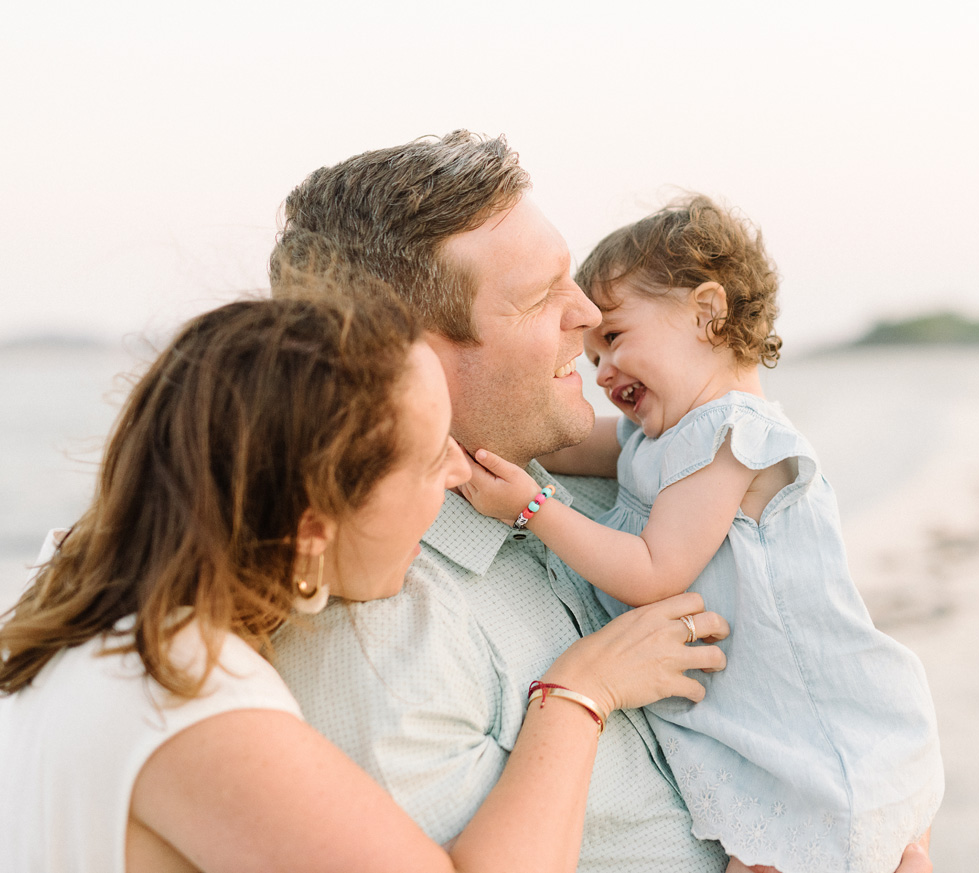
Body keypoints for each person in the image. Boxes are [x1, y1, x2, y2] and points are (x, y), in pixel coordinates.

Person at [269, 131, 935, 873]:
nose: (585, 315)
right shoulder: (389, 647)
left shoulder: (622, 480)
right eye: (538, 296)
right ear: (402, 353)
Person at [0, 281, 730, 873]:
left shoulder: (74, 588)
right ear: (313, 528)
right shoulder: (185, 692)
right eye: (431, 457)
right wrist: (578, 692)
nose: (455, 473)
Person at [460, 195, 944, 872]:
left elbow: (655, 568)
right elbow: (555, 443)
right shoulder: (655, 435)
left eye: (617, 338)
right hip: (751, 728)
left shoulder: (732, 436)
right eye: (595, 352)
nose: (601, 372)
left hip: (811, 734)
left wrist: (532, 507)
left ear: (706, 313)